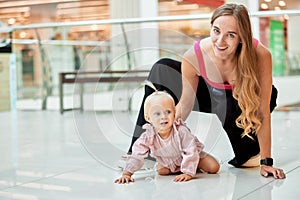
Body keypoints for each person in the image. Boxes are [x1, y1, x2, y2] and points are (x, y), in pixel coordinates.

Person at [127, 3, 285, 179]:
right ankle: (141, 153)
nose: (220, 41)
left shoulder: (260, 55)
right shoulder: (194, 56)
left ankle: (249, 151)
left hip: (245, 104)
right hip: (212, 95)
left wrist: (266, 162)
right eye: (216, 31)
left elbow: (263, 112)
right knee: (163, 68)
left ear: (242, 38)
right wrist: (161, 138)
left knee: (248, 159)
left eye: (230, 35)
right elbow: (185, 104)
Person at [115, 82, 220, 184]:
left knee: (214, 167)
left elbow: (190, 150)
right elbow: (137, 155)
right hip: (169, 161)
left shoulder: (180, 131)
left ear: (174, 113)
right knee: (161, 171)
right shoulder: (148, 137)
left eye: (168, 112)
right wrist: (127, 173)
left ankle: (193, 166)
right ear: (148, 118)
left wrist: (188, 172)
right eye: (157, 113)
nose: (163, 117)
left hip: (191, 156)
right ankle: (178, 168)